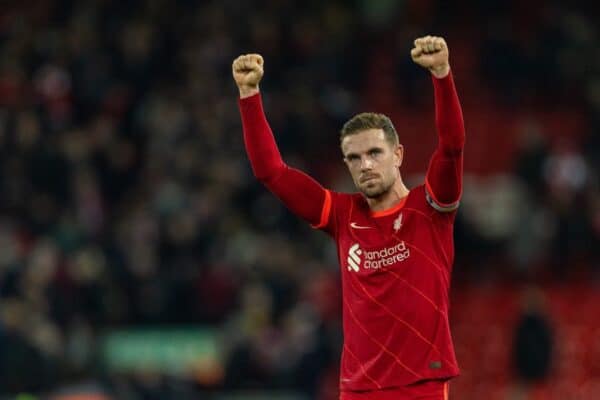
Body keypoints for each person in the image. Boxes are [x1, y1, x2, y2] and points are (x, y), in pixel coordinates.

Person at [233, 35, 465, 400]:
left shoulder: (431, 208)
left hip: (421, 387)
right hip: (358, 390)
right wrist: (249, 97)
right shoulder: (342, 215)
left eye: (375, 152)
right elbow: (271, 172)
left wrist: (441, 74)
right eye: (354, 158)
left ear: (399, 154)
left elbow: (451, 146)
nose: (365, 165)